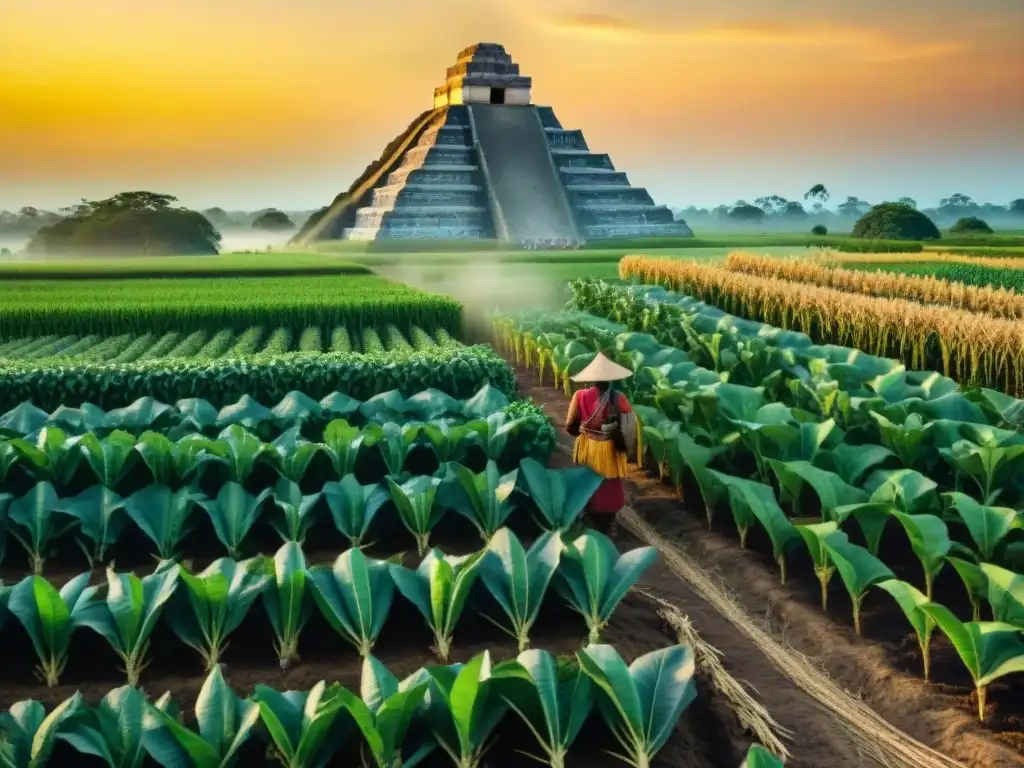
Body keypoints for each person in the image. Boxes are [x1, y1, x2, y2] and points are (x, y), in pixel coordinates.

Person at [565, 353, 637, 537]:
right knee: (610, 484)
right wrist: (627, 449)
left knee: (588, 482)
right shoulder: (619, 398)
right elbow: (629, 427)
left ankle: (589, 517)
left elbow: (570, 426)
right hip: (608, 448)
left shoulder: (579, 396)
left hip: (588, 445)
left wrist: (584, 433)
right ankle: (609, 522)